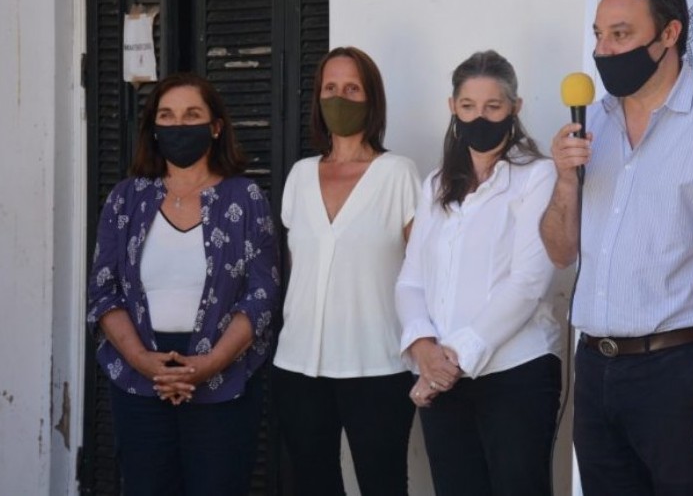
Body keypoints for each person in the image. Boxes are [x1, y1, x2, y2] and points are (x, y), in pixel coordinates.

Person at [540, 0, 693, 496]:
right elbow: (559, 251)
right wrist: (563, 181)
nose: (603, 49)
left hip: (678, 374)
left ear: (669, 35)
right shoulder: (590, 125)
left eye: (620, 34)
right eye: (599, 35)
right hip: (595, 371)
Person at [87, 73, 280, 496]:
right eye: (167, 116)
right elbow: (104, 290)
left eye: (192, 115)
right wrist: (142, 359)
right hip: (140, 380)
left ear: (215, 127)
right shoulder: (126, 199)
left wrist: (207, 365)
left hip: (222, 379)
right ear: (153, 130)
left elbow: (262, 295)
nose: (179, 126)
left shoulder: (244, 198)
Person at [395, 50, 562, 496]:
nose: (479, 117)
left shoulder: (538, 176)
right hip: (441, 380)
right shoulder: (435, 184)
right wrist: (424, 349)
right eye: (468, 106)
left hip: (515, 374)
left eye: (493, 107)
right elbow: (411, 279)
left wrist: (451, 360)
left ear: (515, 108)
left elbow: (529, 282)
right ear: (452, 107)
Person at [272, 46, 420, 496]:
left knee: (383, 484)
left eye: (352, 88)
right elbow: (301, 267)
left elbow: (423, 271)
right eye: (330, 88)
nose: (340, 97)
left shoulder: (398, 174)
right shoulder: (299, 175)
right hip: (299, 364)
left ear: (372, 98)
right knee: (313, 484)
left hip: (377, 363)